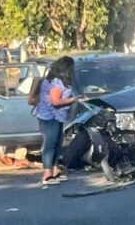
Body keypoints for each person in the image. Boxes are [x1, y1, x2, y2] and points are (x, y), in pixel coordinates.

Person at [36, 56, 80, 185]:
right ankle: (47, 174)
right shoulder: (56, 83)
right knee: (50, 144)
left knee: (58, 143)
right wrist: (72, 100)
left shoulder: (62, 81)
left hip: (58, 116)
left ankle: (54, 170)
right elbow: (55, 101)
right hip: (50, 117)